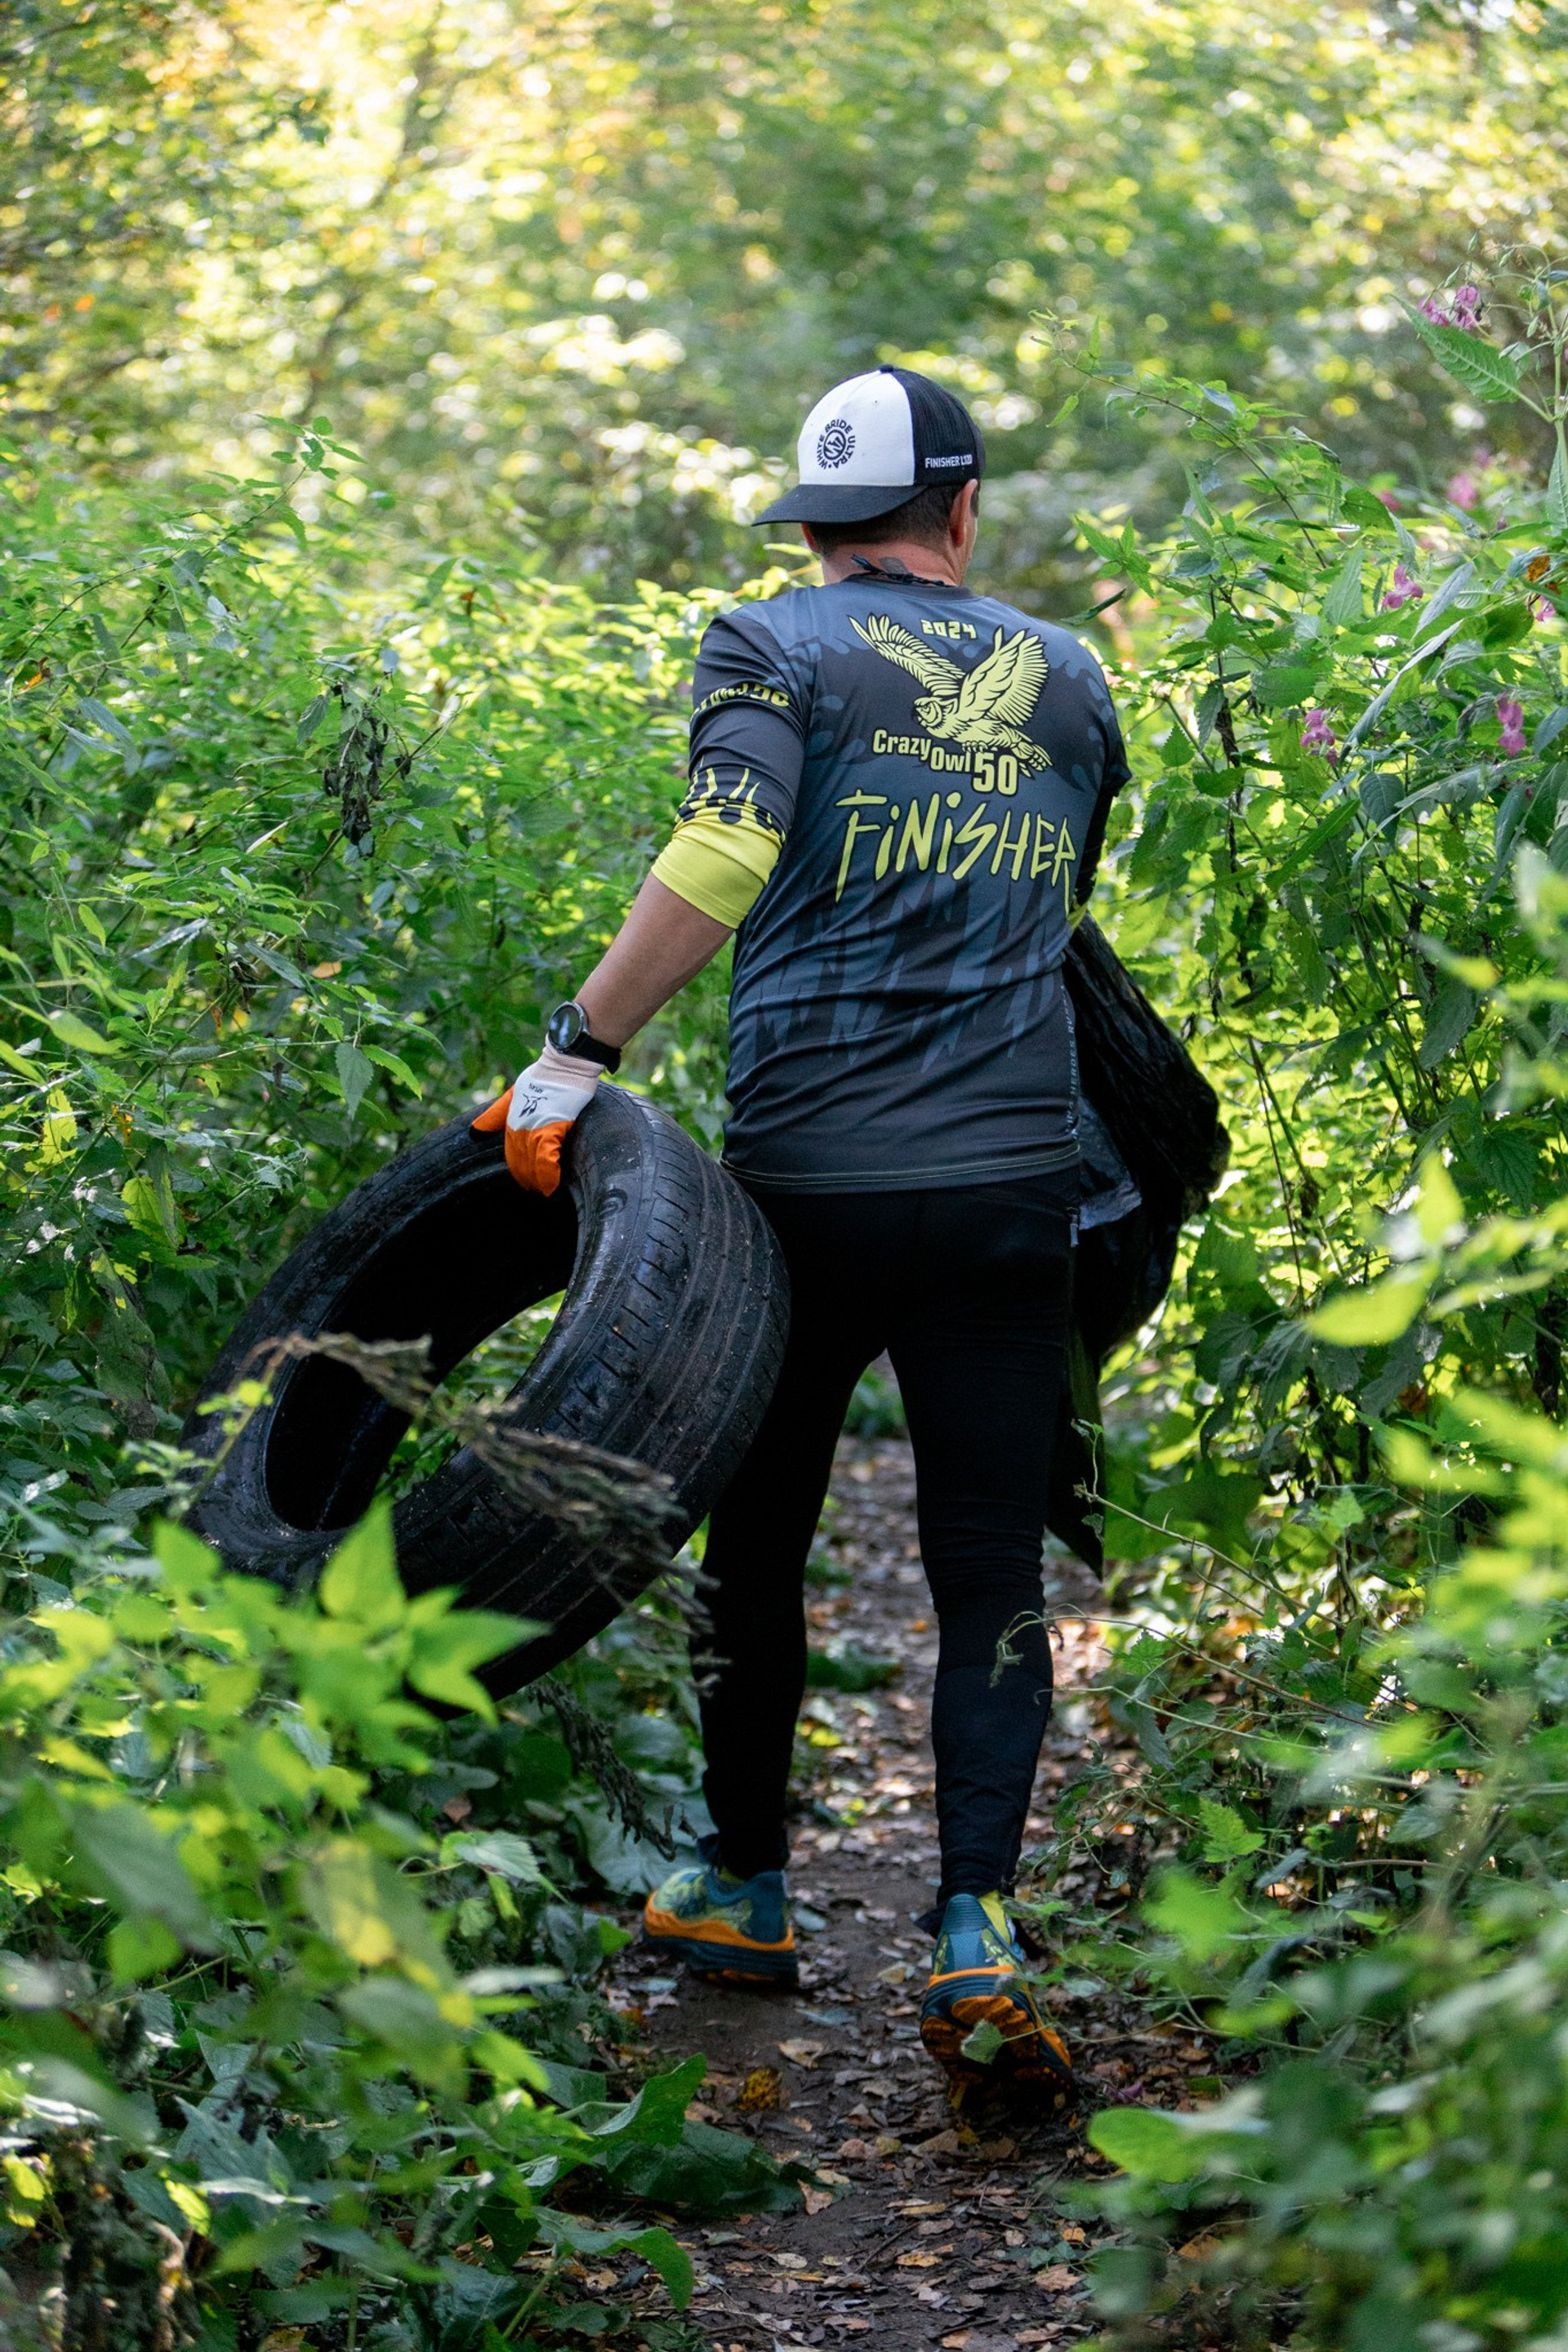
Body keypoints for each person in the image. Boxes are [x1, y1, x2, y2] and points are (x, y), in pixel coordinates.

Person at [475, 366, 1129, 2102]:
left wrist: (579, 1048)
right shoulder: (1072, 677)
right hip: (1007, 1188)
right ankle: (976, 1924)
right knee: (989, 1569)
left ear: (816, 532)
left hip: (805, 1192)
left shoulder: (769, 644)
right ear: (967, 513)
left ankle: (749, 1884)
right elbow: (1061, 896)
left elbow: (730, 835)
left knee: (751, 1550)